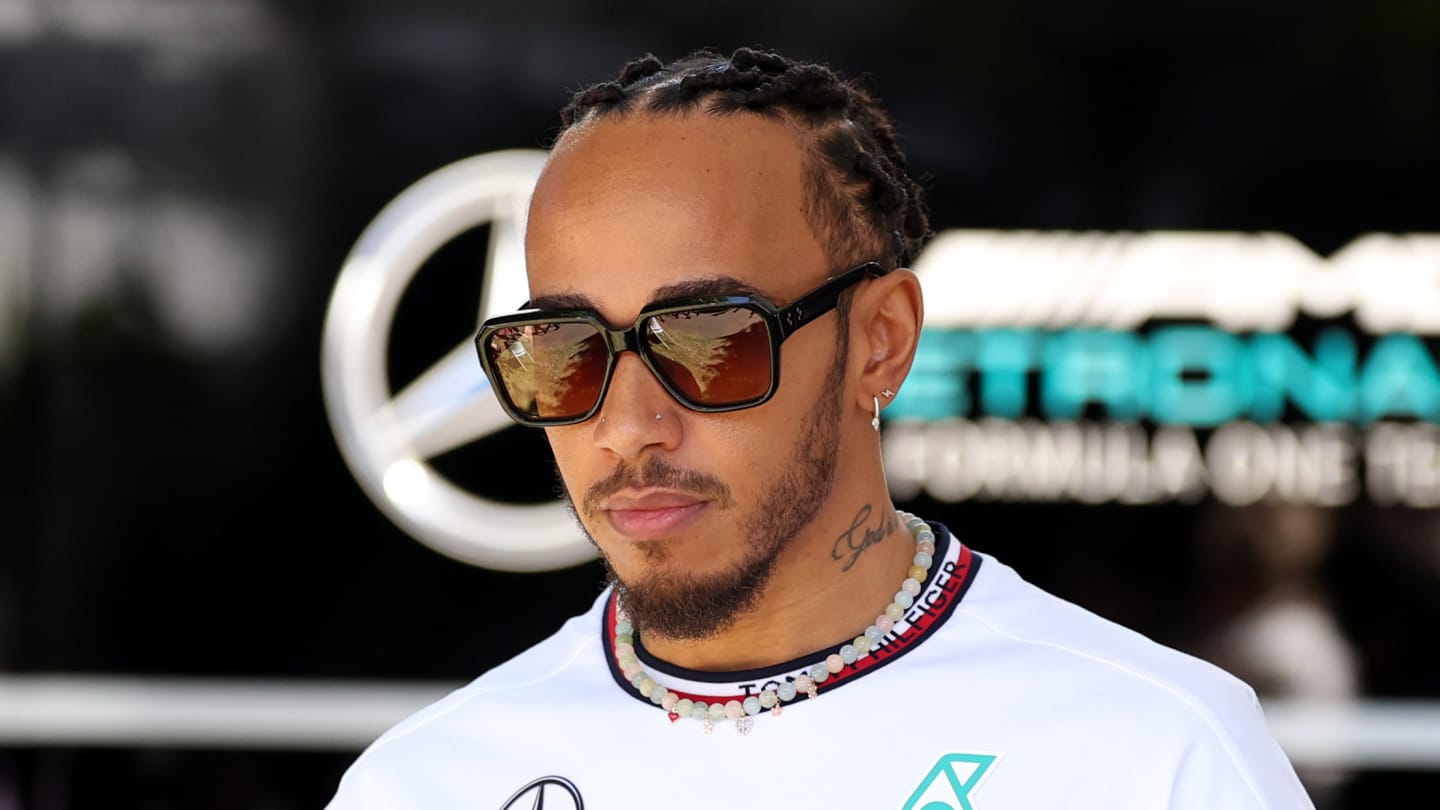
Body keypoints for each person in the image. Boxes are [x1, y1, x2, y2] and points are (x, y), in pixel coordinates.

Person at [327, 46, 1315, 809]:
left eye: (709, 339)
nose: (626, 426)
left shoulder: (1153, 755)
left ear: (879, 341)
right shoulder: (426, 784)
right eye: (561, 351)